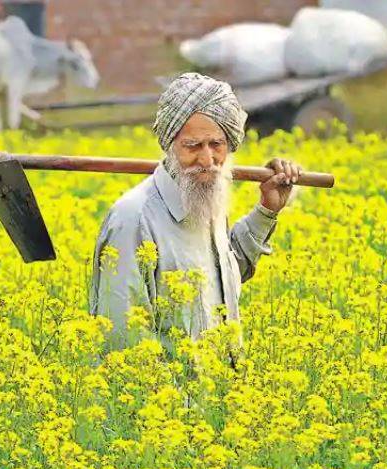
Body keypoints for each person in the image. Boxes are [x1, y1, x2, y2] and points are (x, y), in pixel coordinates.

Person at [89, 72, 301, 351]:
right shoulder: (133, 220)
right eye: (192, 146)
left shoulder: (205, 200)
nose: (207, 160)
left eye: (216, 145)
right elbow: (122, 340)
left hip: (217, 390)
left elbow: (220, 280)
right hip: (166, 393)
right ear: (170, 145)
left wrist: (266, 211)